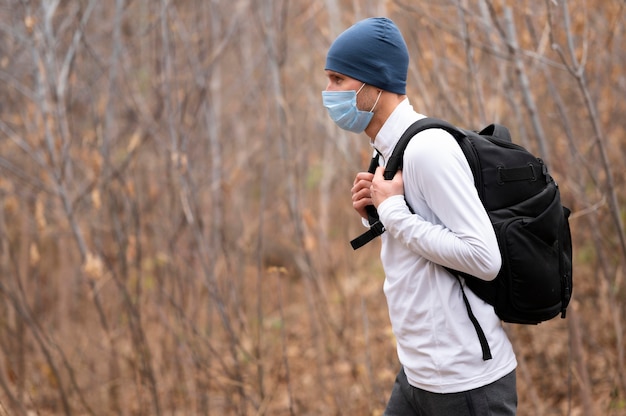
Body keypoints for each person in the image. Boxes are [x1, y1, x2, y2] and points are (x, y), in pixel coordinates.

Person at [322, 17, 518, 415]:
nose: (328, 93)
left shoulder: (428, 149)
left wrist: (394, 212)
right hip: (418, 376)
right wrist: (377, 215)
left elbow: (485, 258)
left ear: (375, 84)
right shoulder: (387, 149)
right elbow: (419, 243)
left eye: (338, 80)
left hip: (466, 384)